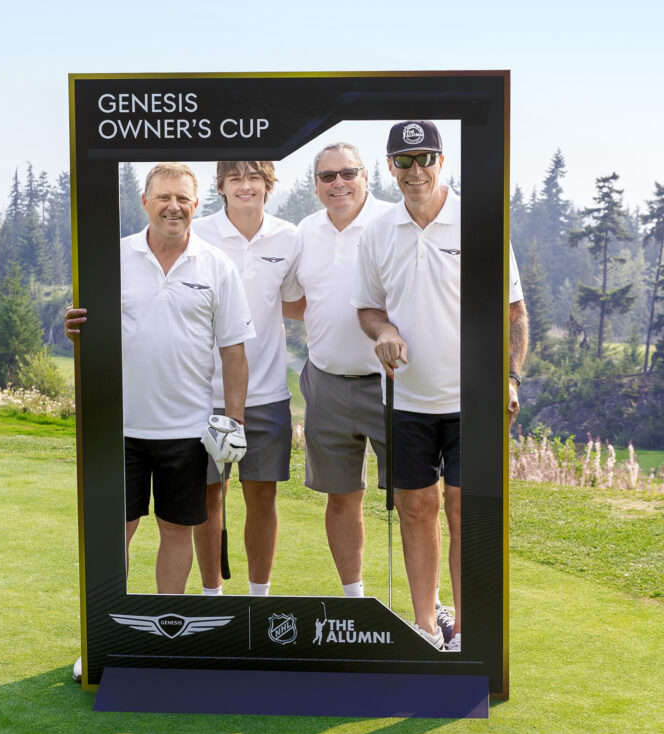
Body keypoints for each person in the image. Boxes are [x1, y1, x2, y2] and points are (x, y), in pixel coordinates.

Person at [65, 162, 254, 680]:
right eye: (164, 197)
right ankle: (101, 638)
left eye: (183, 199)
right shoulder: (112, 258)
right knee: (115, 535)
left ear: (197, 205)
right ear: (145, 201)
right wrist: (74, 324)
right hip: (119, 428)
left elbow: (234, 352)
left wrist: (234, 423)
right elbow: (84, 324)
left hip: (188, 431)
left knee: (176, 532)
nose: (174, 206)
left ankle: (162, 638)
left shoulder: (216, 265)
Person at [354, 120, 528, 651]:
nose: (416, 171)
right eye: (404, 161)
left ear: (441, 161)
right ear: (390, 167)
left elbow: (514, 314)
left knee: (463, 510)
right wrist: (384, 332)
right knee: (416, 509)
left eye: (425, 158)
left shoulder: (478, 223)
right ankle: (427, 628)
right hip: (406, 398)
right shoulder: (378, 232)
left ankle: (469, 633)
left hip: (473, 398)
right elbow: (368, 309)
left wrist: (510, 377)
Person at [191, 160, 303, 597]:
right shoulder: (197, 232)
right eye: (234, 178)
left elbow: (292, 300)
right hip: (203, 393)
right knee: (208, 497)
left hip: (268, 392)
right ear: (220, 186)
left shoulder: (288, 236)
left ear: (267, 184)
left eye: (254, 177)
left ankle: (259, 601)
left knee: (262, 498)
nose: (245, 186)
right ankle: (212, 598)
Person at [289, 142, 392, 598]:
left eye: (348, 173)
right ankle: (355, 601)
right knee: (341, 497)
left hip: (392, 383)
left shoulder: (392, 222)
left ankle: (428, 609)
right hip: (326, 383)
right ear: (316, 185)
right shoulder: (305, 232)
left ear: (366, 177)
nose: (338, 183)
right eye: (327, 176)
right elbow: (294, 300)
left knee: (415, 497)